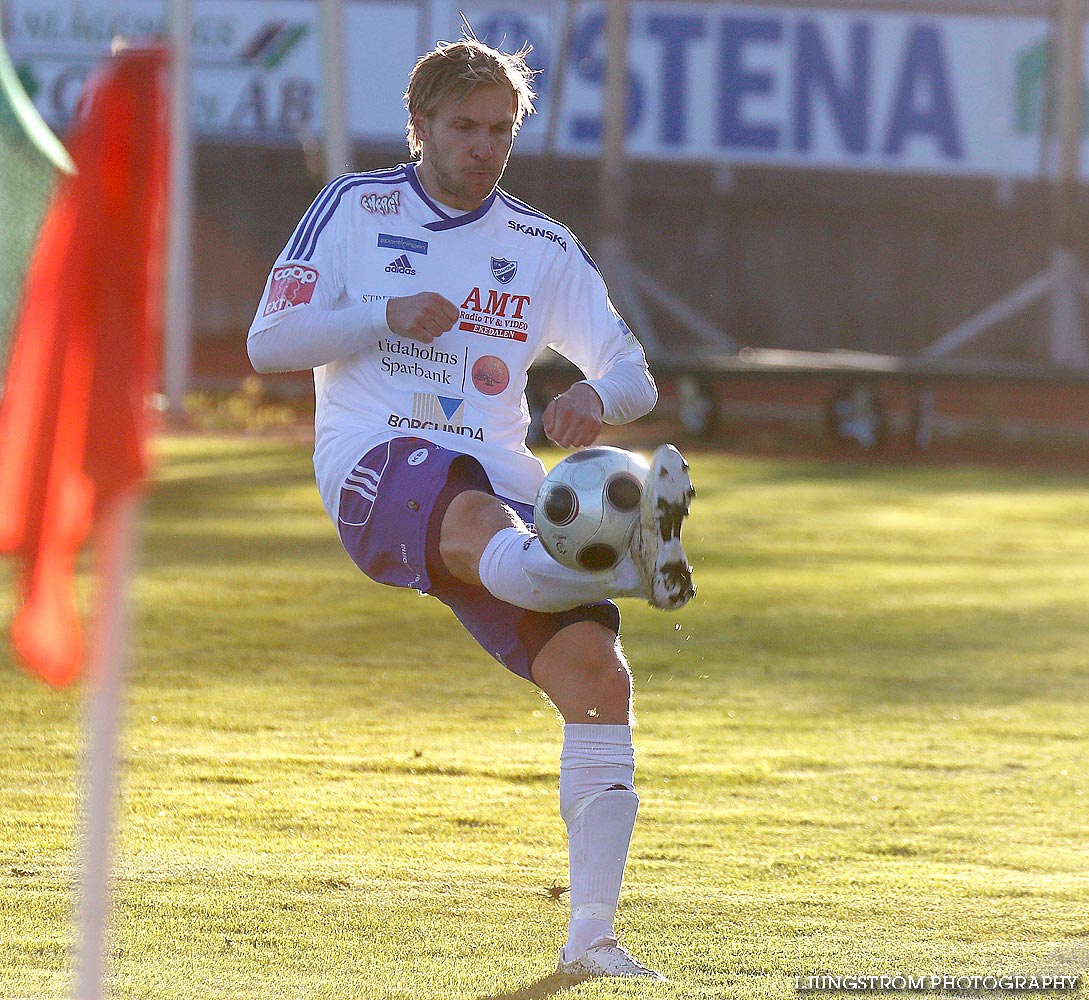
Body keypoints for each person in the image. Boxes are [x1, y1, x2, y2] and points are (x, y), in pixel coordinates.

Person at [247, 34, 695, 982]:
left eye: (500, 130)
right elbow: (270, 343)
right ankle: (618, 554)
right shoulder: (356, 207)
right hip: (375, 452)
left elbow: (632, 373)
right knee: (486, 523)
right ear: (419, 128)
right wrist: (382, 314)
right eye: (462, 128)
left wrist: (591, 401)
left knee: (596, 678)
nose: (483, 148)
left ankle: (593, 944)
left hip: (497, 464)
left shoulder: (540, 246)